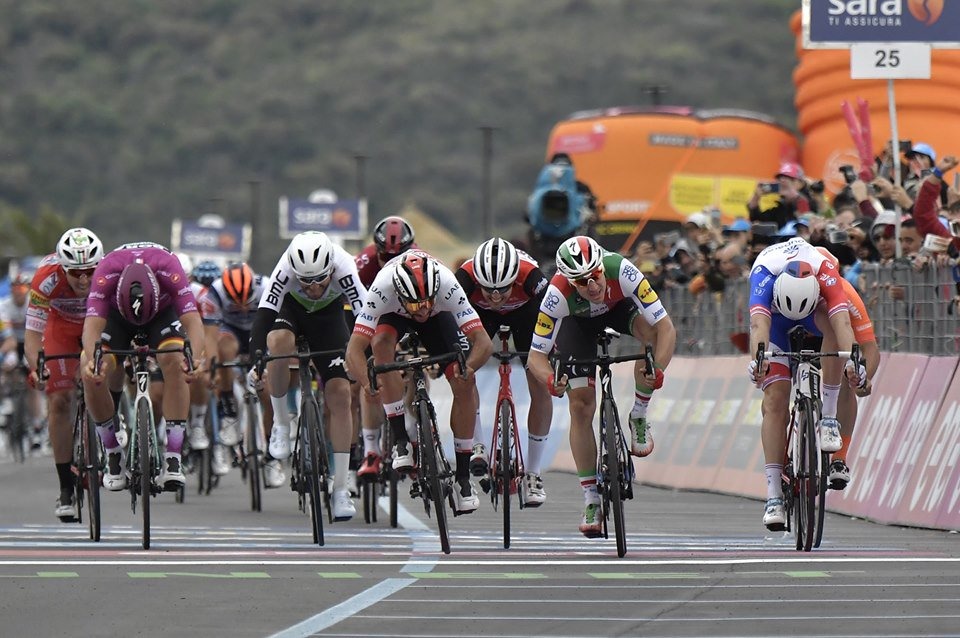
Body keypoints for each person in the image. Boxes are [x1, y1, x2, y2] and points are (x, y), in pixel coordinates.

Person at [526, 236, 677, 537]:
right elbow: (536, 357)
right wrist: (550, 380)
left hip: (618, 310)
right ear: (570, 282)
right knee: (580, 405)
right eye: (581, 282)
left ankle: (639, 413)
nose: (591, 286)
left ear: (601, 267)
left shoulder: (622, 270)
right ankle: (591, 498)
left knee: (650, 338)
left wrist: (657, 369)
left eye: (595, 276)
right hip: (576, 325)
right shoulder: (556, 295)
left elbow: (666, 328)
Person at [345, 250, 493, 515]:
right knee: (380, 345)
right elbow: (354, 350)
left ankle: (461, 477)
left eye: (426, 302)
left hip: (440, 320)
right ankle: (401, 439)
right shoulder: (382, 289)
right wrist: (368, 384)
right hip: (393, 317)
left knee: (463, 382)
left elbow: (483, 343)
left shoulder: (447, 285)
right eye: (415, 304)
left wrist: (468, 369)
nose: (422, 309)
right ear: (400, 294)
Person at [747, 237, 865, 531]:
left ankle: (827, 418)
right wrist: (759, 361)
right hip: (775, 320)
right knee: (775, 401)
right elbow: (758, 327)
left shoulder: (825, 271)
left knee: (835, 331)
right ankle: (774, 495)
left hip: (817, 313)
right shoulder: (762, 274)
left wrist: (853, 361)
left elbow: (843, 325)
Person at [248, 231, 367, 522]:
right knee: (277, 343)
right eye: (306, 281)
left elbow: (365, 315)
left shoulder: (344, 266)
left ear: (331, 270)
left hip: (329, 319)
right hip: (291, 311)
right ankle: (280, 423)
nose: (313, 288)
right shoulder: (285, 268)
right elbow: (264, 315)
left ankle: (340, 489)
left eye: (320, 281)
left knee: (340, 393)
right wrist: (256, 361)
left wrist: (367, 357)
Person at [80, 242, 207, 492]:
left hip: (162, 313)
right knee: (92, 370)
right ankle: (112, 451)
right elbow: (92, 327)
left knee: (176, 360)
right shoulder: (106, 272)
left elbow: (193, 322)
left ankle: (173, 455)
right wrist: (92, 361)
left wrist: (195, 358)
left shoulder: (170, 267)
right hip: (117, 318)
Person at [455, 237, 552, 505]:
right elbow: (446, 315)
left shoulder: (531, 277)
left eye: (503, 290)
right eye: (489, 291)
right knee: (464, 371)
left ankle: (533, 473)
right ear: (478, 282)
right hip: (479, 316)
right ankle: (477, 444)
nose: (496, 297)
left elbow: (556, 314)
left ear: (515, 280)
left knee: (540, 384)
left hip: (526, 313)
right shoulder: (464, 278)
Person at [21, 229, 104, 520]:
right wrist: (37, 368)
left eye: (90, 271)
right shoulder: (47, 278)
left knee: (110, 372)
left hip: (97, 323)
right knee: (59, 400)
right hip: (61, 328)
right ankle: (66, 488)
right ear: (63, 267)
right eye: (76, 273)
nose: (84, 279)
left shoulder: (109, 275)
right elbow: (32, 336)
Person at [202, 262, 282, 486]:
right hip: (231, 333)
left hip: (262, 331)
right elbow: (209, 337)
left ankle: (271, 453)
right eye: (236, 304)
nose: (244, 308)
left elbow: (277, 331)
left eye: (247, 301)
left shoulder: (266, 286)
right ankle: (228, 406)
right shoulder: (215, 293)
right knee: (224, 348)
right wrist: (212, 368)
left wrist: (268, 364)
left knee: (268, 393)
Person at [352, 216, 417, 482]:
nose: (389, 262)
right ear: (374, 250)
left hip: (412, 314)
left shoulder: (421, 262)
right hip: (374, 317)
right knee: (370, 384)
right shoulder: (363, 265)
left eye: (397, 256)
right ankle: (371, 451)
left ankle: (414, 433)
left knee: (415, 367)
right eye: (383, 256)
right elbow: (352, 310)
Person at [815, 247, 881, 491]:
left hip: (834, 336)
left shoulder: (845, 293)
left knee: (846, 378)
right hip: (801, 333)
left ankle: (839, 459)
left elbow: (871, 349)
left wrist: (863, 378)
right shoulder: (791, 285)